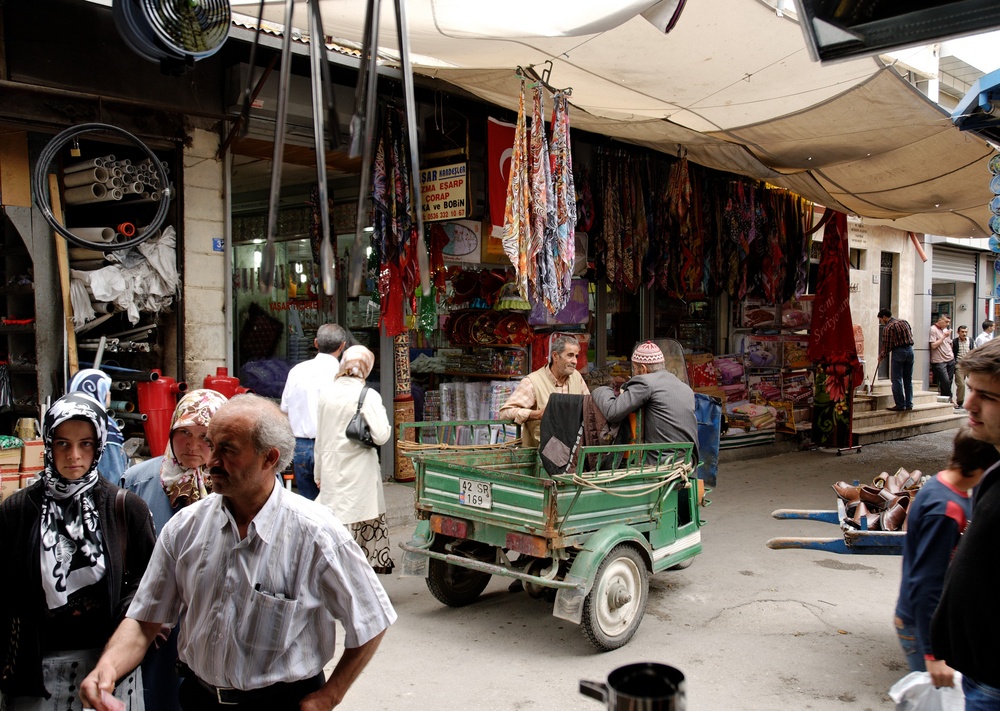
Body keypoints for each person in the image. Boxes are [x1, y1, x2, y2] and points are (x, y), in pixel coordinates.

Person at [80, 394, 396, 711]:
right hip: (198, 699)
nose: (212, 460)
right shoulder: (185, 529)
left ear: (269, 458)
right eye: (211, 445)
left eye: (227, 449)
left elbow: (371, 619)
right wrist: (108, 667)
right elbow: (145, 619)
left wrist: (331, 695)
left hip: (283, 702)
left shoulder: (317, 534)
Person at [0, 392, 156, 710]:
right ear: (48, 444)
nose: (74, 455)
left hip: (109, 669)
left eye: (85, 443)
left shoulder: (124, 508)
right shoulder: (19, 509)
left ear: (99, 446)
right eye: (62, 443)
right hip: (35, 673)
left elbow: (149, 586)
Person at [120, 388, 228, 711]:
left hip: (214, 619)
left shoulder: (236, 484)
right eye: (184, 433)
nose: (193, 446)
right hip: (156, 622)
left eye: (205, 436)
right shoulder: (138, 481)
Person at [894, 427, 999, 677]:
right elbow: (926, 581)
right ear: (977, 468)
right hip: (922, 626)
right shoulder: (945, 511)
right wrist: (933, 653)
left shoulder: (940, 485)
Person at [930, 338, 1000, 708]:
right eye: (970, 389)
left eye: (987, 396)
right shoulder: (995, 475)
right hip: (978, 675)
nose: (968, 404)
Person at [315, 345, 394, 574]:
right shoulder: (368, 395)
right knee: (361, 522)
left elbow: (319, 438)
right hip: (359, 471)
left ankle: (335, 572)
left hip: (331, 467)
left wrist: (318, 473)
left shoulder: (326, 393)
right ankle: (357, 575)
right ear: (366, 368)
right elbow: (380, 436)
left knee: (336, 522)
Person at [590, 341, 700, 465]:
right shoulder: (684, 387)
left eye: (635, 369)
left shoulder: (646, 382)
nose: (635, 373)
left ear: (643, 368)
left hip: (659, 462)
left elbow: (613, 412)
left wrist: (600, 389)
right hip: (687, 460)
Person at [279, 323, 347, 500]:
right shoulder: (342, 374)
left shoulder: (297, 371)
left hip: (300, 446)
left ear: (316, 343)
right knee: (334, 506)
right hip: (331, 446)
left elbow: (284, 410)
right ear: (342, 346)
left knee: (308, 506)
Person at [498, 334, 590, 448]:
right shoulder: (532, 381)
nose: (575, 361)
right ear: (555, 356)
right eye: (570, 355)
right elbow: (505, 413)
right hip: (540, 453)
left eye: (576, 356)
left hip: (572, 450)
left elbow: (588, 408)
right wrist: (534, 414)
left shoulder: (577, 377)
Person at [68, 368, 130, 483]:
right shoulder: (104, 426)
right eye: (106, 390)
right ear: (99, 392)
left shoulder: (64, 421)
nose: (109, 394)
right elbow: (113, 474)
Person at [877, 309, 915, 412]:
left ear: (885, 317)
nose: (881, 322)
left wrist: (881, 356)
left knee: (896, 379)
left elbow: (888, 346)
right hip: (910, 350)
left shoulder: (888, 327)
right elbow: (910, 335)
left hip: (899, 352)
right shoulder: (904, 322)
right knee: (908, 379)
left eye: (881, 320)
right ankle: (909, 404)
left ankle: (900, 404)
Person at [929, 313, 955, 404]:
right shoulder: (933, 329)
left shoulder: (945, 330)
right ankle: (951, 399)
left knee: (949, 381)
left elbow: (948, 343)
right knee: (945, 381)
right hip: (939, 360)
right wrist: (944, 336)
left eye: (949, 322)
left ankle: (945, 400)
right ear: (940, 320)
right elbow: (933, 345)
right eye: (946, 322)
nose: (947, 324)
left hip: (950, 358)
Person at [953, 325, 972, 409]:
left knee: (975, 383)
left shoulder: (970, 340)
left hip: (969, 364)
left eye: (965, 332)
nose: (964, 333)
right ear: (958, 332)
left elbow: (974, 350)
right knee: (961, 384)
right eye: (962, 332)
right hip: (959, 364)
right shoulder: (954, 342)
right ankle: (960, 402)